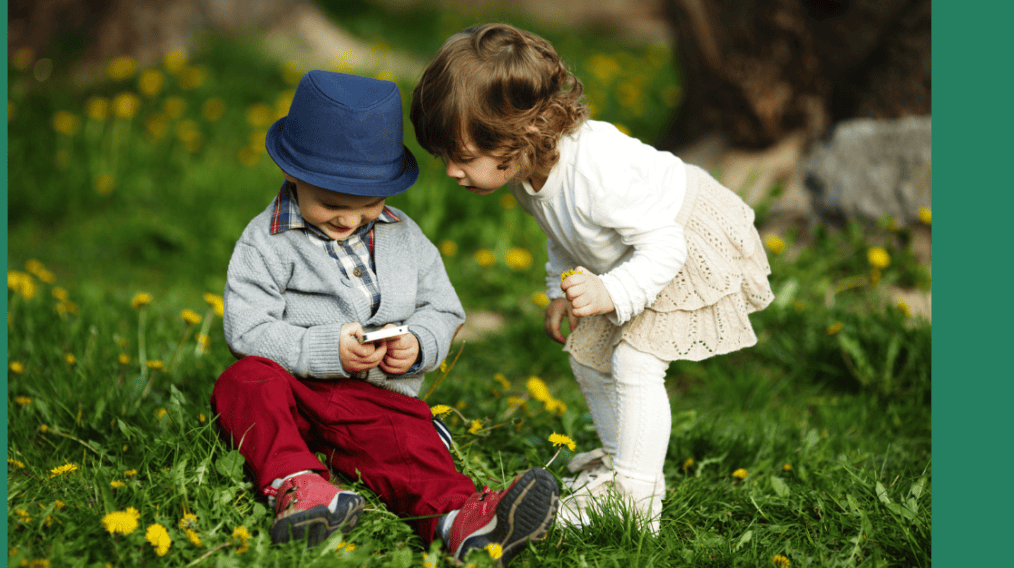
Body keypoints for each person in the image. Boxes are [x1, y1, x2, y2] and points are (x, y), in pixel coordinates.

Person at [410, 24, 774, 534]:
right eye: (444, 157)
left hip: (683, 238)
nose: (450, 170)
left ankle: (637, 497)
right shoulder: (526, 170)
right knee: (590, 355)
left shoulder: (596, 171)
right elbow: (562, 233)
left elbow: (666, 244)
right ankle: (616, 461)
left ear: (515, 137)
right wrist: (561, 288)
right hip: (635, 257)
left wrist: (611, 291)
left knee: (635, 361)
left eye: (462, 157)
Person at [212, 69, 558, 564]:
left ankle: (461, 521)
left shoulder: (406, 237)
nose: (349, 220)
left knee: (406, 441)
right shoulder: (264, 242)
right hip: (293, 387)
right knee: (243, 384)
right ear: (292, 173)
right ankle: (301, 487)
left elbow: (443, 308)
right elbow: (246, 328)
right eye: (331, 205)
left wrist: (417, 343)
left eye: (370, 205)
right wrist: (326, 349)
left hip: (371, 398)